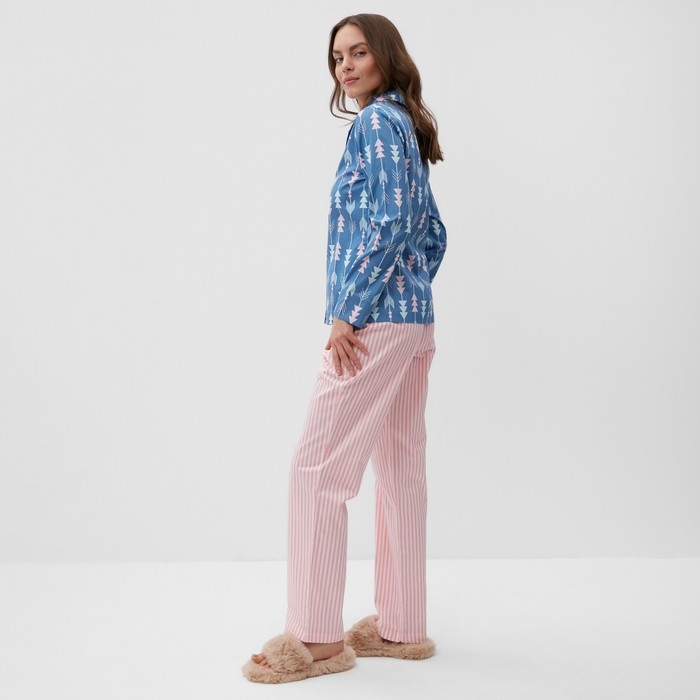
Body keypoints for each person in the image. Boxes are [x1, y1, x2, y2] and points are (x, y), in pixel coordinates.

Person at [242, 13, 447, 684]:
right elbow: (433, 233)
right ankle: (402, 626)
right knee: (400, 467)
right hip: (412, 323)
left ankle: (315, 639)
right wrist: (411, 289)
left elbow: (392, 223)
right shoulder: (406, 125)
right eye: (337, 58)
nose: (346, 66)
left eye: (358, 52)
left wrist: (350, 312)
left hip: (374, 323)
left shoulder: (376, 125)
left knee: (316, 467)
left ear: (385, 55)